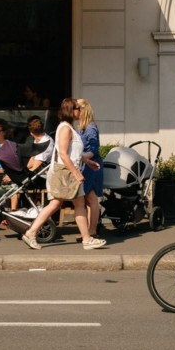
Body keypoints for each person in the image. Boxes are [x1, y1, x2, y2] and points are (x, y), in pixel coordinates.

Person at [20, 98, 106, 250]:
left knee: (66, 204)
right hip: (65, 173)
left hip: (67, 172)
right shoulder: (65, 128)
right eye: (77, 108)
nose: (79, 111)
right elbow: (64, 155)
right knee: (60, 204)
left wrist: (87, 162)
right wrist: (77, 173)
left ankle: (86, 239)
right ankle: (86, 239)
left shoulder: (69, 127)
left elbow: (73, 153)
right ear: (71, 111)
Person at [76, 98, 104, 241]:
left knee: (91, 198)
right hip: (87, 165)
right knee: (89, 198)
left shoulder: (90, 128)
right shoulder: (82, 127)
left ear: (83, 110)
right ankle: (88, 231)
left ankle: (92, 230)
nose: (74, 110)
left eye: (77, 108)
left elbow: (93, 149)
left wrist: (81, 158)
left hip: (92, 166)